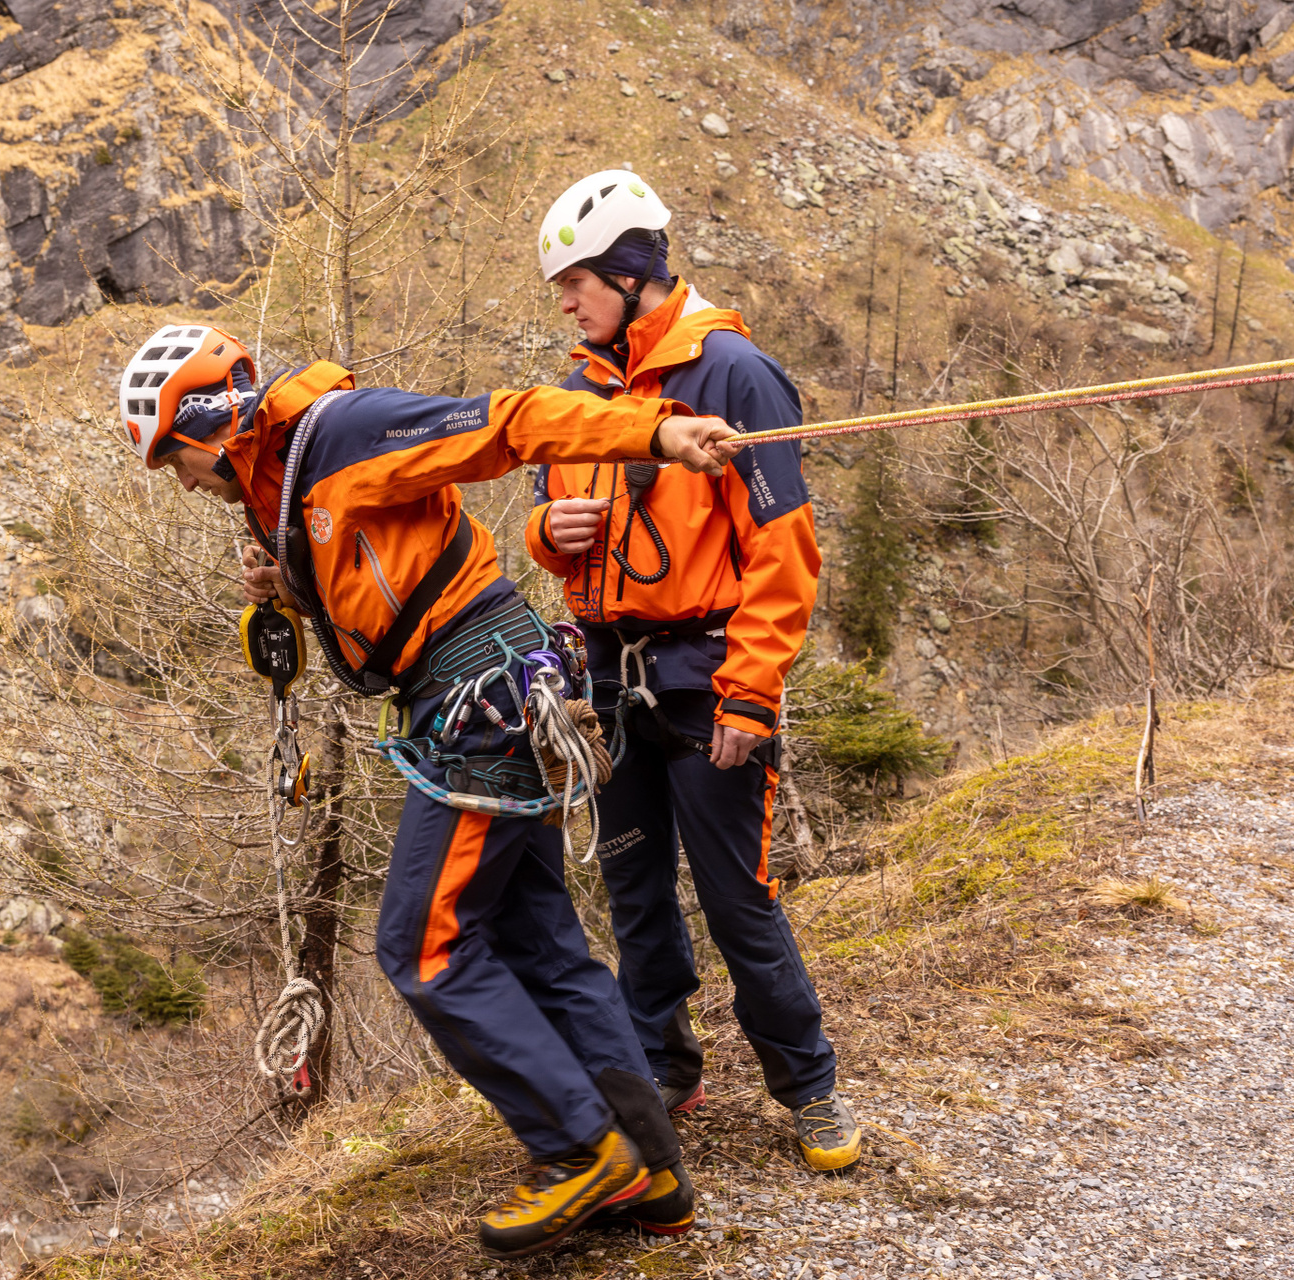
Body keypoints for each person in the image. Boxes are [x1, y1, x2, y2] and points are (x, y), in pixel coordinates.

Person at [116, 324, 740, 1256]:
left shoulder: (343, 433)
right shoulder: (279, 479)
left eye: (175, 458)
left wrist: (655, 433)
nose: (182, 481)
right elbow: (378, 569)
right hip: (482, 689)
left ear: (212, 422)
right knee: (542, 945)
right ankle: (651, 1176)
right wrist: (292, 584)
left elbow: (509, 424)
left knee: (423, 946)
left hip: (478, 697)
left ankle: (580, 1151)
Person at [525, 171, 860, 1172]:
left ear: (631, 273)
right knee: (633, 890)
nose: (568, 304)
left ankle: (810, 1086)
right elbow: (551, 522)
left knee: (735, 897)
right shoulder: (578, 392)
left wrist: (752, 691)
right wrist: (549, 533)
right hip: (610, 682)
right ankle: (665, 1068)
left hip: (707, 678)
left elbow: (784, 549)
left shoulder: (733, 375)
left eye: (578, 283)